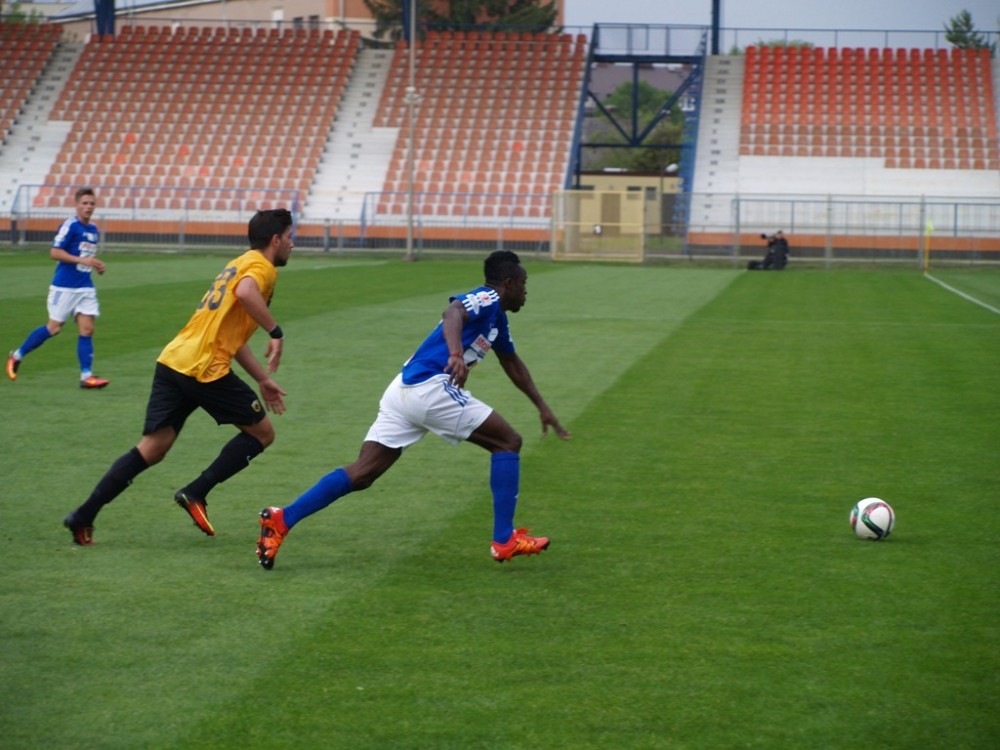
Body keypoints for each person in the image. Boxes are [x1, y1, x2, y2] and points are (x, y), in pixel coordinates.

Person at [255, 249, 571, 570]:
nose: (526, 291)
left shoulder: (497, 321)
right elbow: (452, 312)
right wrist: (456, 354)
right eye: (523, 284)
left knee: (363, 472)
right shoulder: (487, 298)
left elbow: (513, 364)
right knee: (508, 442)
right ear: (508, 283)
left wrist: (542, 407)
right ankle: (504, 540)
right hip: (429, 387)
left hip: (403, 390)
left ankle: (282, 519)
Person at [62, 208, 295, 546]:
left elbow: (232, 336)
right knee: (262, 433)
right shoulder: (261, 268)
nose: (292, 243)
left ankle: (83, 515)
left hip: (174, 360)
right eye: (289, 237)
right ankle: (196, 492)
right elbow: (246, 293)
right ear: (275, 240)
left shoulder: (239, 263)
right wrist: (275, 331)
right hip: (204, 368)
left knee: (152, 448)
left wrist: (261, 378)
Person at [7, 187, 111, 388]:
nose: (88, 207)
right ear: (77, 205)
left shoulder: (93, 229)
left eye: (92, 203)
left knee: (87, 329)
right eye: (85, 203)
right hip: (64, 287)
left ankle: (86, 377)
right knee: (53, 328)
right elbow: (54, 252)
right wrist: (83, 260)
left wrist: (95, 265)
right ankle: (17, 356)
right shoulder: (70, 225)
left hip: (85, 287)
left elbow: (85, 258)